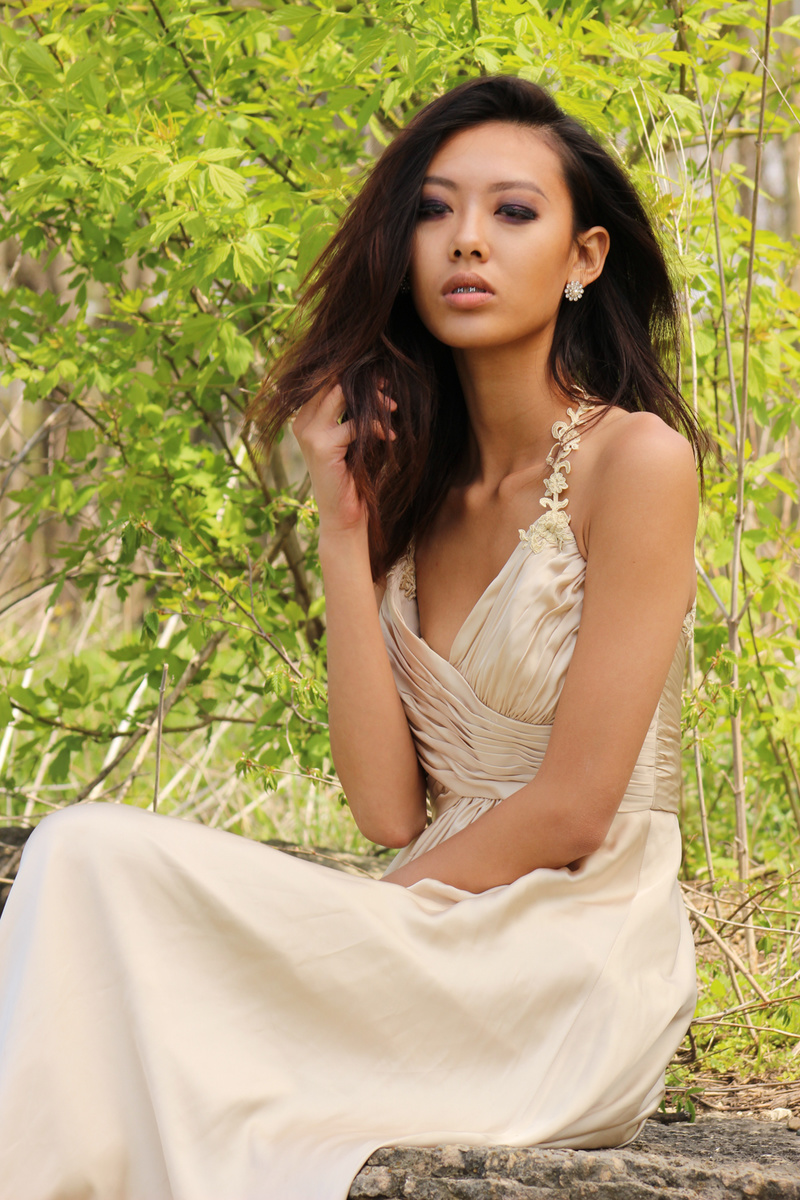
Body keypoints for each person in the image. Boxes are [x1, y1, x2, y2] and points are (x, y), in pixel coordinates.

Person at [0, 76, 703, 1200]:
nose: (465, 241)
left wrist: (366, 918)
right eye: (433, 211)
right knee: (81, 873)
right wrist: (340, 523)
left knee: (88, 854)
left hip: (566, 960)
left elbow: (575, 807)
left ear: (583, 260)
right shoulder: (416, 493)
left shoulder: (637, 464)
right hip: (433, 927)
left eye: (511, 212)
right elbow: (384, 808)